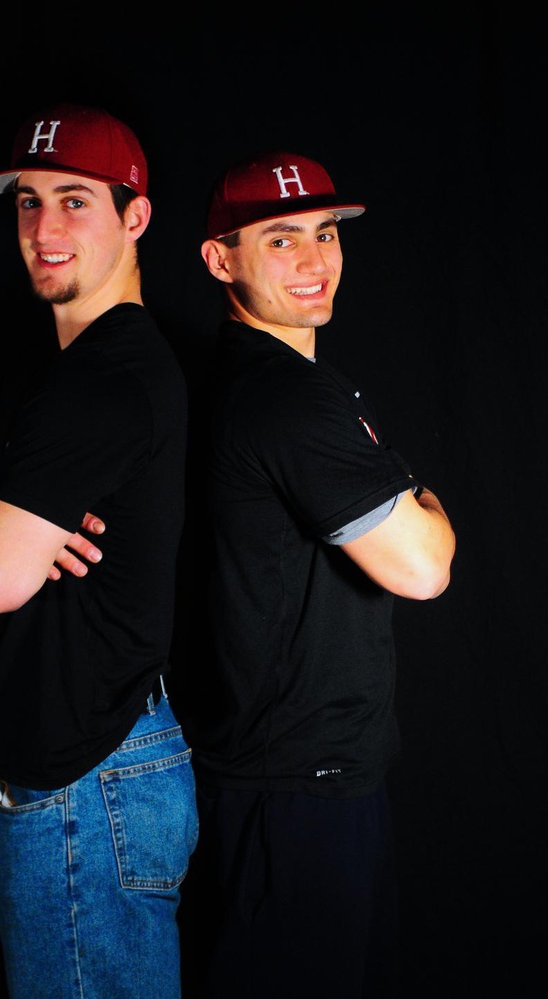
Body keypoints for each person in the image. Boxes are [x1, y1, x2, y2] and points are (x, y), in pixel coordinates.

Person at [0, 101, 198, 999]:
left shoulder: (110, 378)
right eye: (28, 202)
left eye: (74, 201)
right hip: (75, 770)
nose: (44, 229)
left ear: (134, 216)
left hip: (89, 781)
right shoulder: (43, 374)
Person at [177, 151, 456, 999]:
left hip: (287, 781)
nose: (315, 261)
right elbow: (423, 563)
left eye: (326, 234)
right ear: (219, 260)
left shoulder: (267, 381)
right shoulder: (285, 399)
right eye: (282, 239)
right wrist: (419, 494)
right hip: (292, 796)